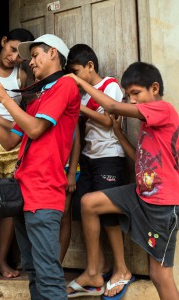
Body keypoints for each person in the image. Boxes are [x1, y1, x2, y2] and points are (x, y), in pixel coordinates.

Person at [0, 34, 81, 299]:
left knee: (49, 275)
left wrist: (5, 100)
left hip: (45, 193)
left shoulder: (65, 86)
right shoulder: (38, 95)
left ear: (53, 53)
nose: (29, 63)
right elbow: (10, 141)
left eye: (35, 55)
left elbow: (34, 129)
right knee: (33, 271)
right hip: (25, 192)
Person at [66, 62, 179, 300]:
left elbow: (110, 104)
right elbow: (139, 158)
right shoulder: (148, 124)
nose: (132, 101)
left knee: (159, 275)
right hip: (140, 196)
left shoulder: (164, 110)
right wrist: (117, 131)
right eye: (128, 96)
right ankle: (94, 273)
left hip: (162, 206)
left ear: (155, 88)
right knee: (89, 203)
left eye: (135, 93)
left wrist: (78, 81)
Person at [66, 44, 132, 298]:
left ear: (90, 66)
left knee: (108, 214)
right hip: (89, 159)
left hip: (109, 158)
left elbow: (108, 121)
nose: (75, 77)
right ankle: (99, 267)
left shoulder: (110, 86)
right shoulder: (83, 95)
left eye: (76, 71)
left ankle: (123, 269)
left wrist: (78, 107)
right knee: (87, 211)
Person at [0, 28, 34, 278]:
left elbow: (21, 117)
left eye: (20, 55)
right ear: (3, 42)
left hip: (13, 146)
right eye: (12, 49)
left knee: (10, 206)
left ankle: (2, 259)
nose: (14, 58)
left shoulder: (21, 76)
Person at [60, 123, 81, 263]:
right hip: (45, 169)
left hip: (67, 169)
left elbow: (77, 142)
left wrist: (72, 173)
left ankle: (58, 263)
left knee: (64, 213)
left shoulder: (70, 109)